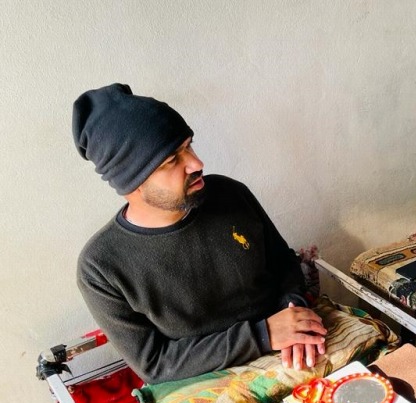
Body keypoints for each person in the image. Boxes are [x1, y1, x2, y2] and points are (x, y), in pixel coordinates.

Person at [72, 83, 327, 384]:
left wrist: (295, 313)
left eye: (188, 146)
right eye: (172, 160)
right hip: (208, 381)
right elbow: (155, 364)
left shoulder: (230, 194)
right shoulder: (101, 266)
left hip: (295, 348)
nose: (196, 163)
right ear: (131, 182)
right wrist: (264, 334)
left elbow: (283, 263)